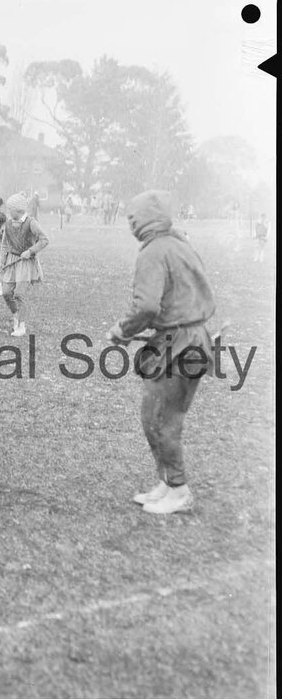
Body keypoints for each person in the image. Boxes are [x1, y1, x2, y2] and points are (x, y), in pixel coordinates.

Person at [106, 190, 217, 515]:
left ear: (145, 218)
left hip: (179, 345)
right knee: (157, 417)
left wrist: (121, 330)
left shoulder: (154, 251)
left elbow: (146, 305)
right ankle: (167, 483)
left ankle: (178, 490)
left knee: (160, 419)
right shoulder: (180, 242)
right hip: (192, 338)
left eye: (132, 217)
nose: (130, 223)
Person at [0, 193, 49, 337]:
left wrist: (30, 251)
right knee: (7, 292)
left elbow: (44, 240)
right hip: (11, 261)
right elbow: (4, 245)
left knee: (19, 294)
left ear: (17, 210)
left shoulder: (31, 222)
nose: (8, 212)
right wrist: (1, 262)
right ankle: (16, 315)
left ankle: (21, 325)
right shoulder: (8, 224)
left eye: (10, 209)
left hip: (25, 263)